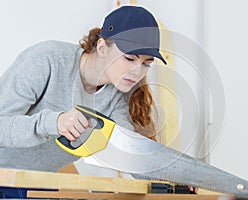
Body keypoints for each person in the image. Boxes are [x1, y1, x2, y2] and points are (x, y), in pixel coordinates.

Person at [0, 5, 167, 198]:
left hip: (38, 185)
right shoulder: (48, 59)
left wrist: (179, 181)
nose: (137, 72)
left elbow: (131, 156)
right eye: (130, 59)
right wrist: (54, 122)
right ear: (102, 48)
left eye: (146, 64)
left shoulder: (118, 96)